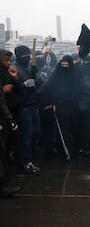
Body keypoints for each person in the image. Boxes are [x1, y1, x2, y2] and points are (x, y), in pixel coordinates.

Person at [13, 45, 42, 177]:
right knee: (26, 135)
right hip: (23, 106)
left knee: (36, 131)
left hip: (33, 104)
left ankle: (29, 158)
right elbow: (12, 87)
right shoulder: (14, 68)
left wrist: (37, 74)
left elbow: (40, 83)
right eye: (24, 56)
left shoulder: (31, 66)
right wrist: (22, 84)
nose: (27, 58)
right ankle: (25, 162)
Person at [0, 49, 20, 197]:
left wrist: (15, 79)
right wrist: (10, 118)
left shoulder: (7, 72)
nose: (8, 63)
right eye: (5, 61)